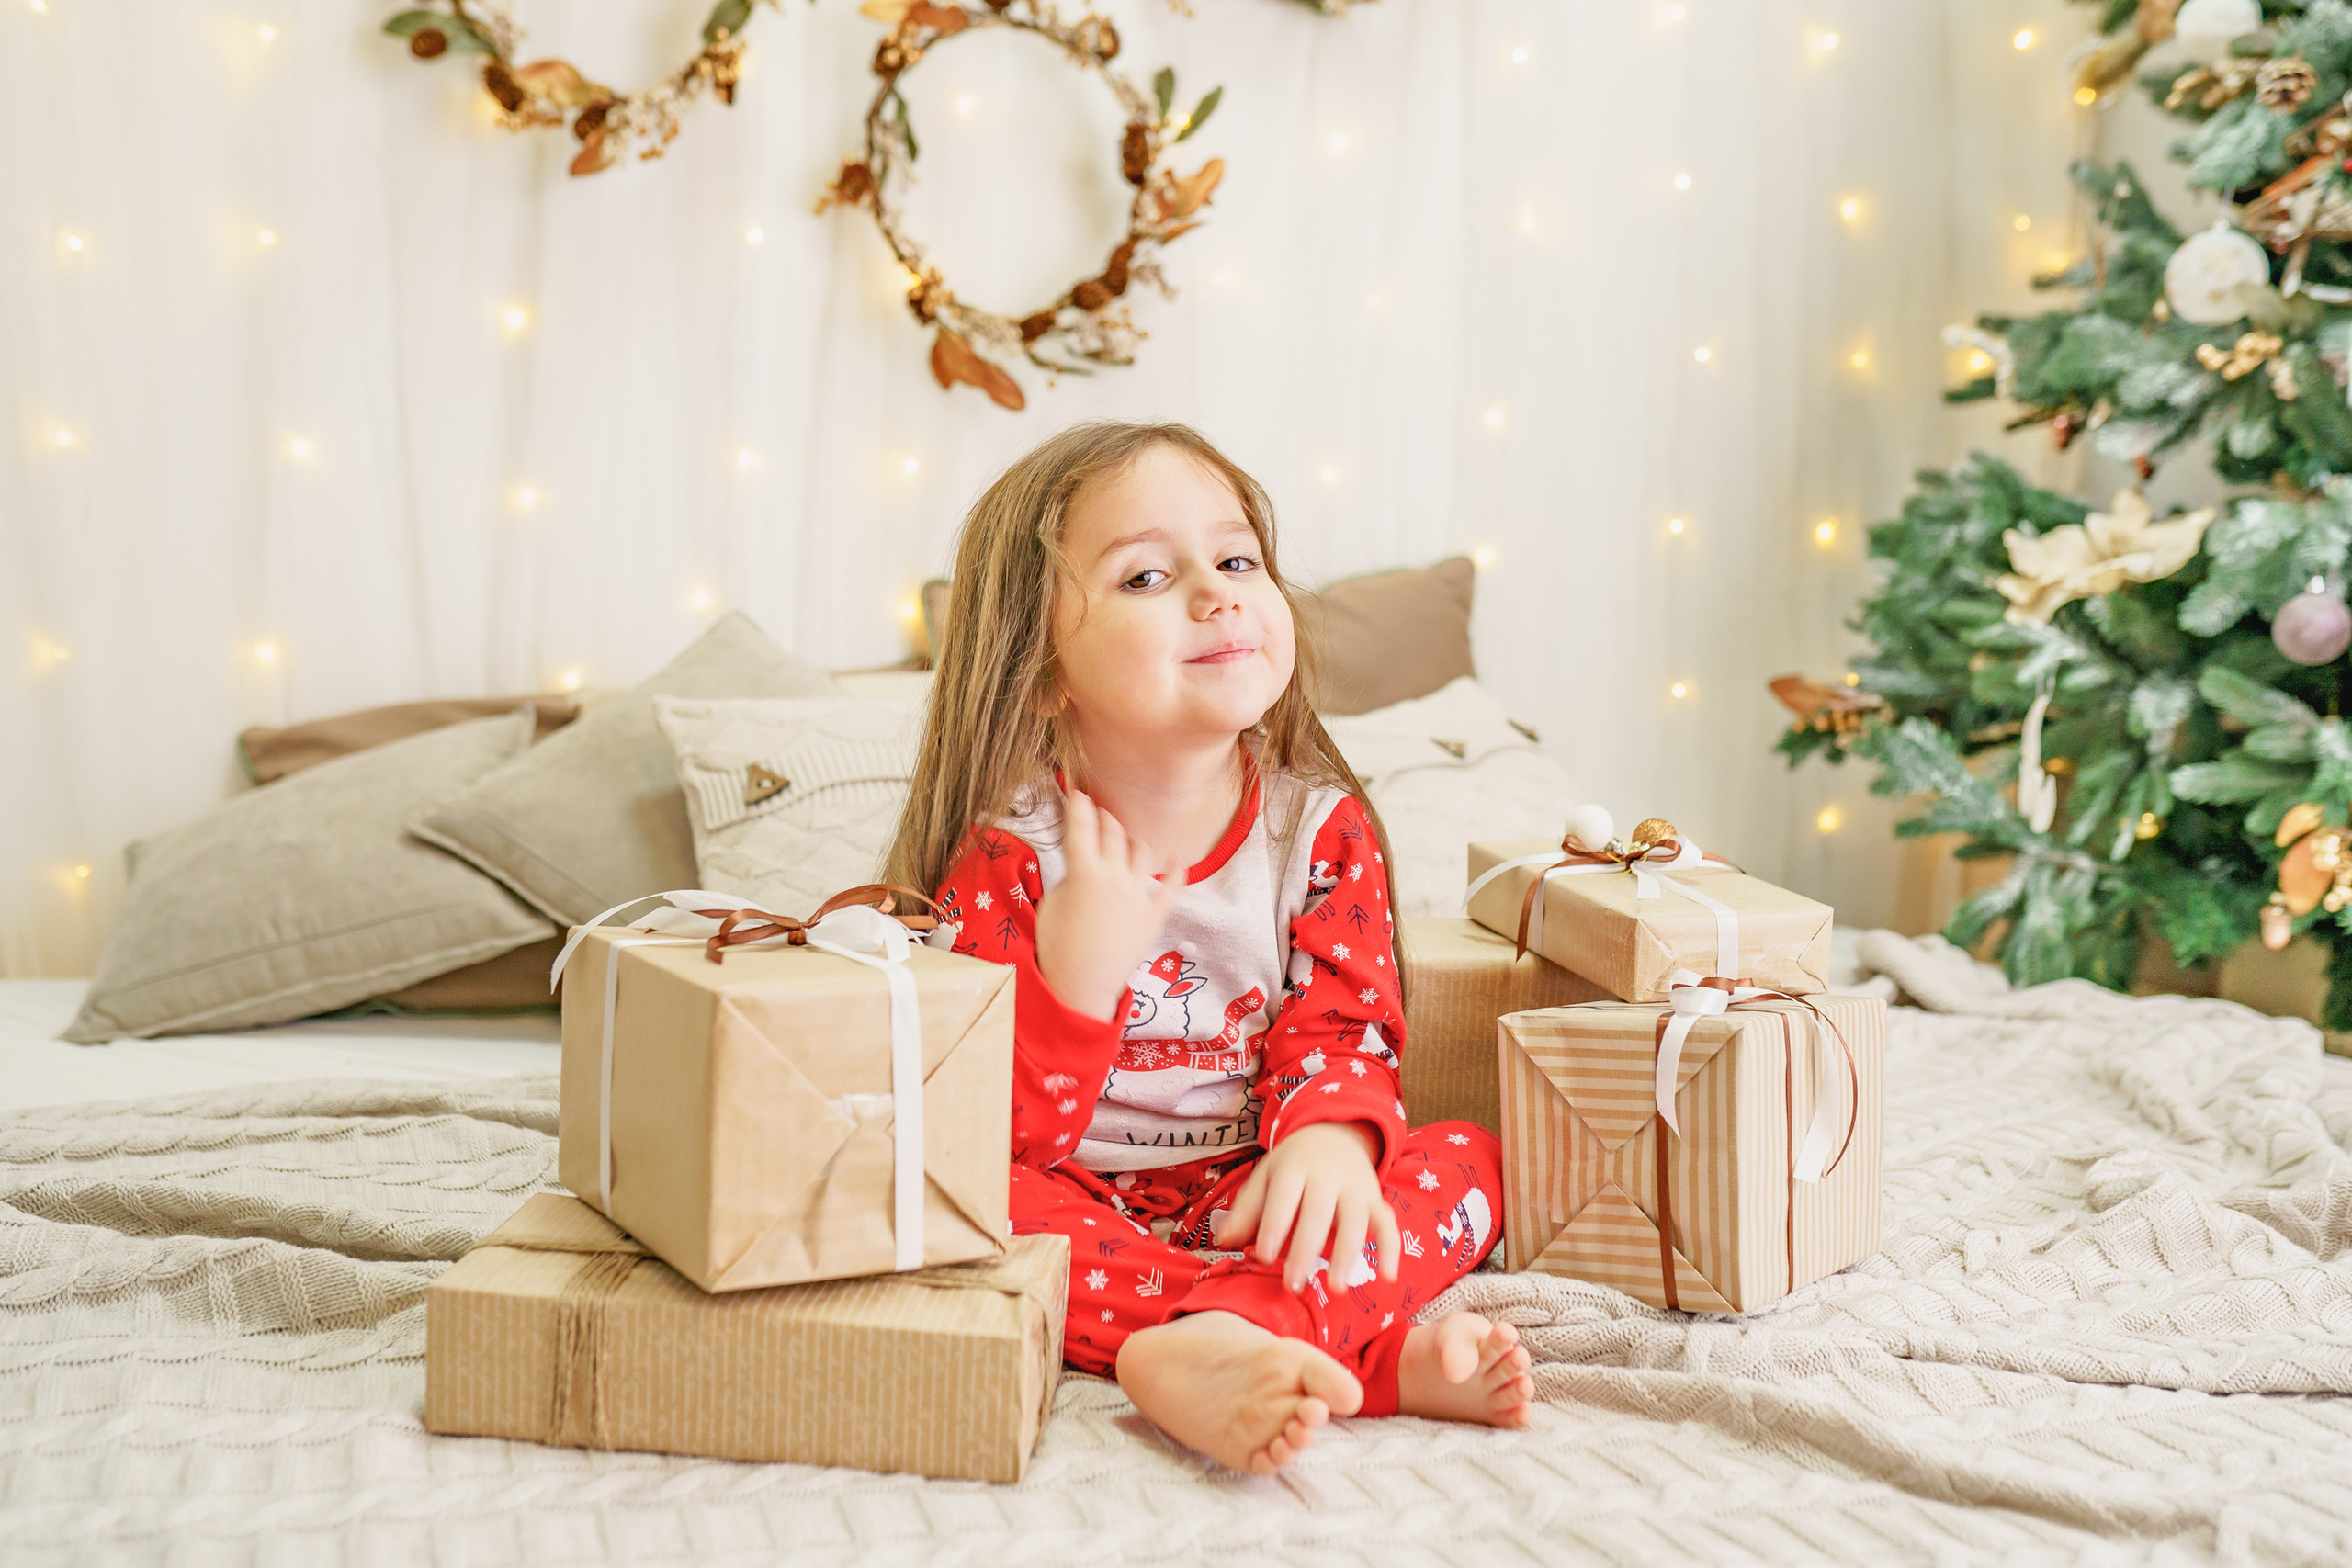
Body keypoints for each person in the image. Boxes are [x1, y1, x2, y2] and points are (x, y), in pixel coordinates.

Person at [885, 421, 1533, 1475]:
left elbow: (1344, 1028)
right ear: (1041, 671)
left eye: (1237, 560)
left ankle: (1214, 1343)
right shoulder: (1011, 856)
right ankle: (1349, 1358)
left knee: (1469, 1160)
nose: (1218, 592)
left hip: (1255, 1191)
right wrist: (1078, 982)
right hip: (1084, 1206)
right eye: (1146, 575)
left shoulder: (1316, 832)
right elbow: (996, 1144)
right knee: (939, 1197)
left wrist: (1326, 1142)